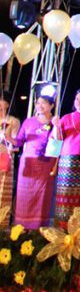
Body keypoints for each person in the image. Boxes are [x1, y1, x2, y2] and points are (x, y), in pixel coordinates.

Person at [53, 89, 80, 228]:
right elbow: (57, 138)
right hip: (68, 159)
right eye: (76, 99)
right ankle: (63, 225)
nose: (78, 102)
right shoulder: (67, 117)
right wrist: (56, 126)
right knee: (65, 192)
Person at [12, 95, 58, 228]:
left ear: (51, 106)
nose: (40, 106)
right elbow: (19, 141)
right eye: (38, 103)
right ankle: (21, 228)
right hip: (28, 163)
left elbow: (58, 144)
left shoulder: (55, 123)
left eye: (43, 103)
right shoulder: (28, 122)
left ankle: (38, 228)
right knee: (24, 196)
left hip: (45, 164)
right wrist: (9, 138)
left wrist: (57, 127)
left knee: (42, 197)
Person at [1, 96, 22, 227]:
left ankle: (2, 223)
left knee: (3, 190)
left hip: (4, 157)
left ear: (8, 104)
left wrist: (8, 141)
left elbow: (15, 144)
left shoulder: (13, 121)